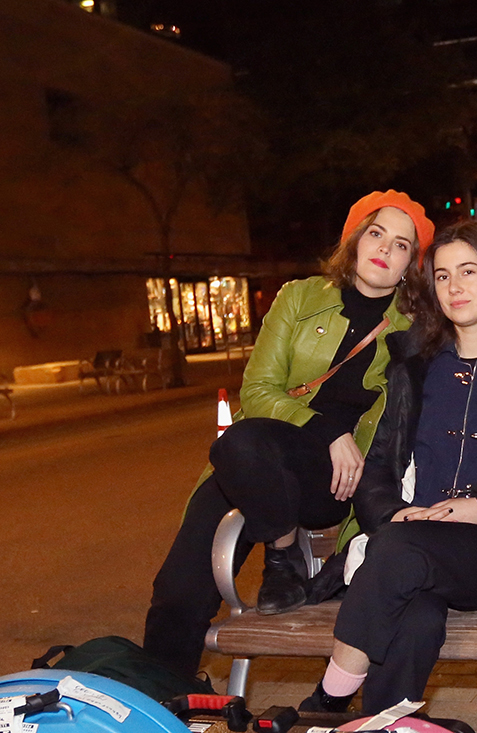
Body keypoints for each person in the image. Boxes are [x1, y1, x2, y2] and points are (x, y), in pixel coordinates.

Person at [142, 192, 434, 680]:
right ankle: (161, 712)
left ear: (411, 265)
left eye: (401, 245)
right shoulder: (299, 297)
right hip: (254, 461)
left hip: (333, 480)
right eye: (376, 233)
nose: (384, 248)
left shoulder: (416, 327)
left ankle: (283, 558)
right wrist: (327, 428)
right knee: (178, 590)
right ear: (355, 238)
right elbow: (257, 390)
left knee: (241, 442)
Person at [298, 220, 477, 715]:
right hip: (412, 544)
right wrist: (392, 512)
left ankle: (327, 699)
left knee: (399, 552)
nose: (454, 287)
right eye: (441, 276)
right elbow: (377, 465)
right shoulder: (415, 366)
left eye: (468, 271)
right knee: (413, 618)